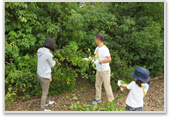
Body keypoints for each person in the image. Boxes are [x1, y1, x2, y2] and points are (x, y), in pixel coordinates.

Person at [83, 33, 114, 106]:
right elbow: (95, 57)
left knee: (107, 86)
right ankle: (98, 99)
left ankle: (111, 102)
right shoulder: (97, 48)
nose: (94, 40)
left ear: (98, 39)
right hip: (98, 70)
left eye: (95, 39)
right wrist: (87, 59)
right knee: (97, 85)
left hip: (105, 70)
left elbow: (109, 59)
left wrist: (100, 62)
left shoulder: (105, 49)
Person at [37, 37, 56, 111]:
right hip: (45, 76)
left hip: (39, 74)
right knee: (44, 93)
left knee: (44, 90)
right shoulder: (48, 54)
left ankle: (47, 102)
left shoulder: (39, 50)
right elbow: (52, 64)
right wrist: (53, 59)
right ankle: (42, 109)